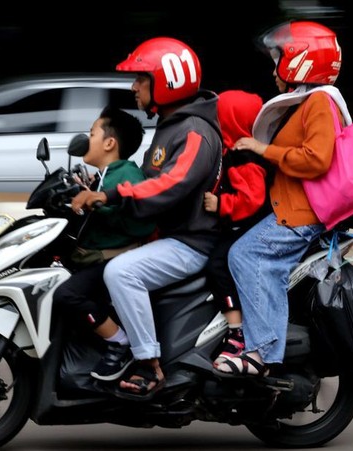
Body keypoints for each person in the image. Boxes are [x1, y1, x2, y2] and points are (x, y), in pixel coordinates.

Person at [71, 37, 222, 400]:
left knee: (121, 272)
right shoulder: (174, 126)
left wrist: (110, 194)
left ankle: (147, 363)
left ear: (168, 82)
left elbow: (169, 184)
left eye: (141, 79)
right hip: (169, 237)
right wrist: (97, 184)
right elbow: (144, 178)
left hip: (190, 243)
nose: (134, 87)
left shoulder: (195, 133)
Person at [214, 20, 343, 378]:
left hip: (301, 213)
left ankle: (260, 352)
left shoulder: (319, 102)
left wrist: (263, 149)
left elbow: (317, 159)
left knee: (248, 256)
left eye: (278, 62)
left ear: (300, 62)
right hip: (290, 207)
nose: (274, 71)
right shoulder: (305, 101)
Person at [52, 106, 156, 381]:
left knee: (66, 295)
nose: (87, 138)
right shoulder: (104, 176)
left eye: (92, 133)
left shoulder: (127, 174)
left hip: (112, 259)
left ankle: (119, 342)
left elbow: (138, 209)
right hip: (96, 257)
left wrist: (101, 204)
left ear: (109, 143)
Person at [202, 90, 272, 368]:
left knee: (218, 264)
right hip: (243, 224)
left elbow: (251, 199)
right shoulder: (235, 151)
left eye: (218, 119)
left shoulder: (243, 155)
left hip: (248, 227)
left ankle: (237, 332)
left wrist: (221, 204)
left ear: (230, 122)